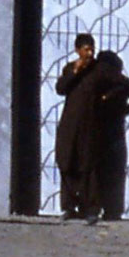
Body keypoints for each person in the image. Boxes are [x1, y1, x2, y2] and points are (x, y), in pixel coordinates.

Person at [77, 50, 129, 222]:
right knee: (114, 172)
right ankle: (113, 210)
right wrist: (124, 111)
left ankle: (90, 208)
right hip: (114, 131)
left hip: (91, 130)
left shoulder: (91, 78)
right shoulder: (119, 79)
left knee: (92, 169)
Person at [53, 33, 101, 219]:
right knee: (67, 162)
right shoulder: (70, 69)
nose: (89, 54)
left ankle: (90, 209)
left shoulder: (99, 70)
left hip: (90, 125)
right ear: (77, 50)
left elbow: (119, 84)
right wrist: (75, 71)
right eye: (86, 50)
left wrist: (108, 99)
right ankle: (69, 207)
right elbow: (60, 89)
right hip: (70, 124)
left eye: (91, 49)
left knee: (87, 166)